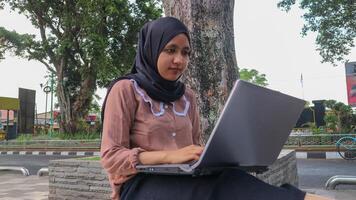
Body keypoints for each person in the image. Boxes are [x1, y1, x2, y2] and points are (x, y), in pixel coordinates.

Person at [100, 17, 330, 200]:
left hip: (184, 178)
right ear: (151, 49)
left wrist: (212, 157)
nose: (179, 60)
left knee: (232, 177)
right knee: (216, 191)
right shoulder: (126, 89)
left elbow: (194, 148)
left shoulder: (186, 97)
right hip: (140, 184)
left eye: (185, 52)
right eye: (170, 50)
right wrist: (170, 156)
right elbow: (110, 158)